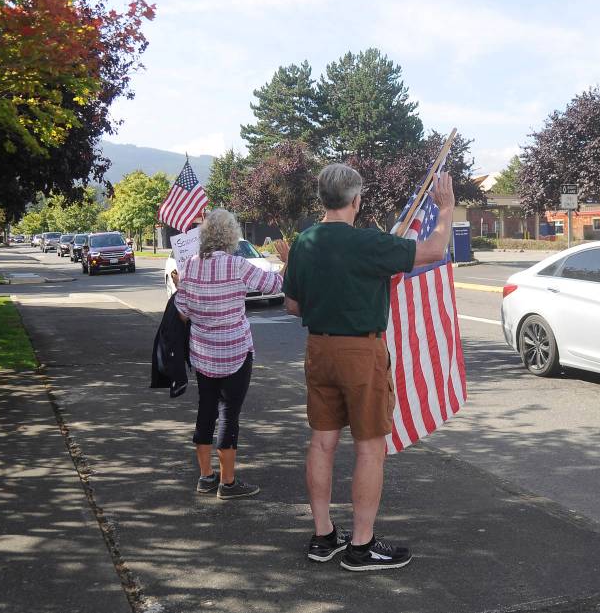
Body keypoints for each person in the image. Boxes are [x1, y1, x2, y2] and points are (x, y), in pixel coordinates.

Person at [285, 163, 455, 571]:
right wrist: (446, 208)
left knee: (322, 443)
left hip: (318, 349)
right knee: (369, 447)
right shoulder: (368, 242)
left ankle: (323, 535)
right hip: (361, 352)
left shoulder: (304, 242)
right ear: (356, 200)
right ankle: (361, 545)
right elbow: (434, 250)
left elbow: (292, 305)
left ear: (323, 198)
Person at [175, 209, 290, 500]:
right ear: (231, 235)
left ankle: (205, 477)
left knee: (206, 409)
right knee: (229, 414)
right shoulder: (237, 265)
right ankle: (227, 483)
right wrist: (288, 263)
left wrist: (185, 289)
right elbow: (275, 285)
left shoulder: (189, 266)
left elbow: (183, 311)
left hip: (203, 354)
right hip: (236, 352)